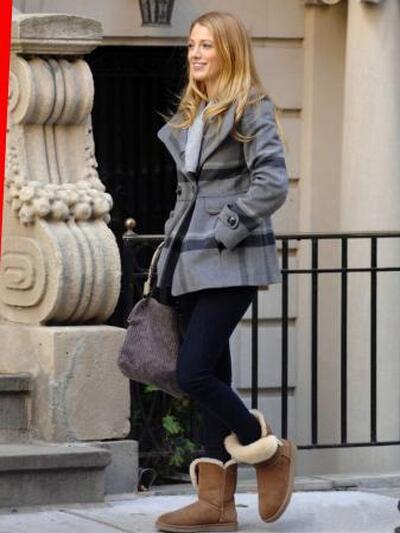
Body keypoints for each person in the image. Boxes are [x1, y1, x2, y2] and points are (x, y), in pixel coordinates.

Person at [154, 11, 296, 533]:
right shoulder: (192, 115)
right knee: (213, 376)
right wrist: (165, 255)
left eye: (207, 45)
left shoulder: (250, 107)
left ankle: (268, 451)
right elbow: (186, 196)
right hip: (189, 263)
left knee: (193, 373)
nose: (195, 53)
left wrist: (225, 228)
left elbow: (272, 182)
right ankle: (216, 505)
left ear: (229, 52)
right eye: (192, 44)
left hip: (229, 260)